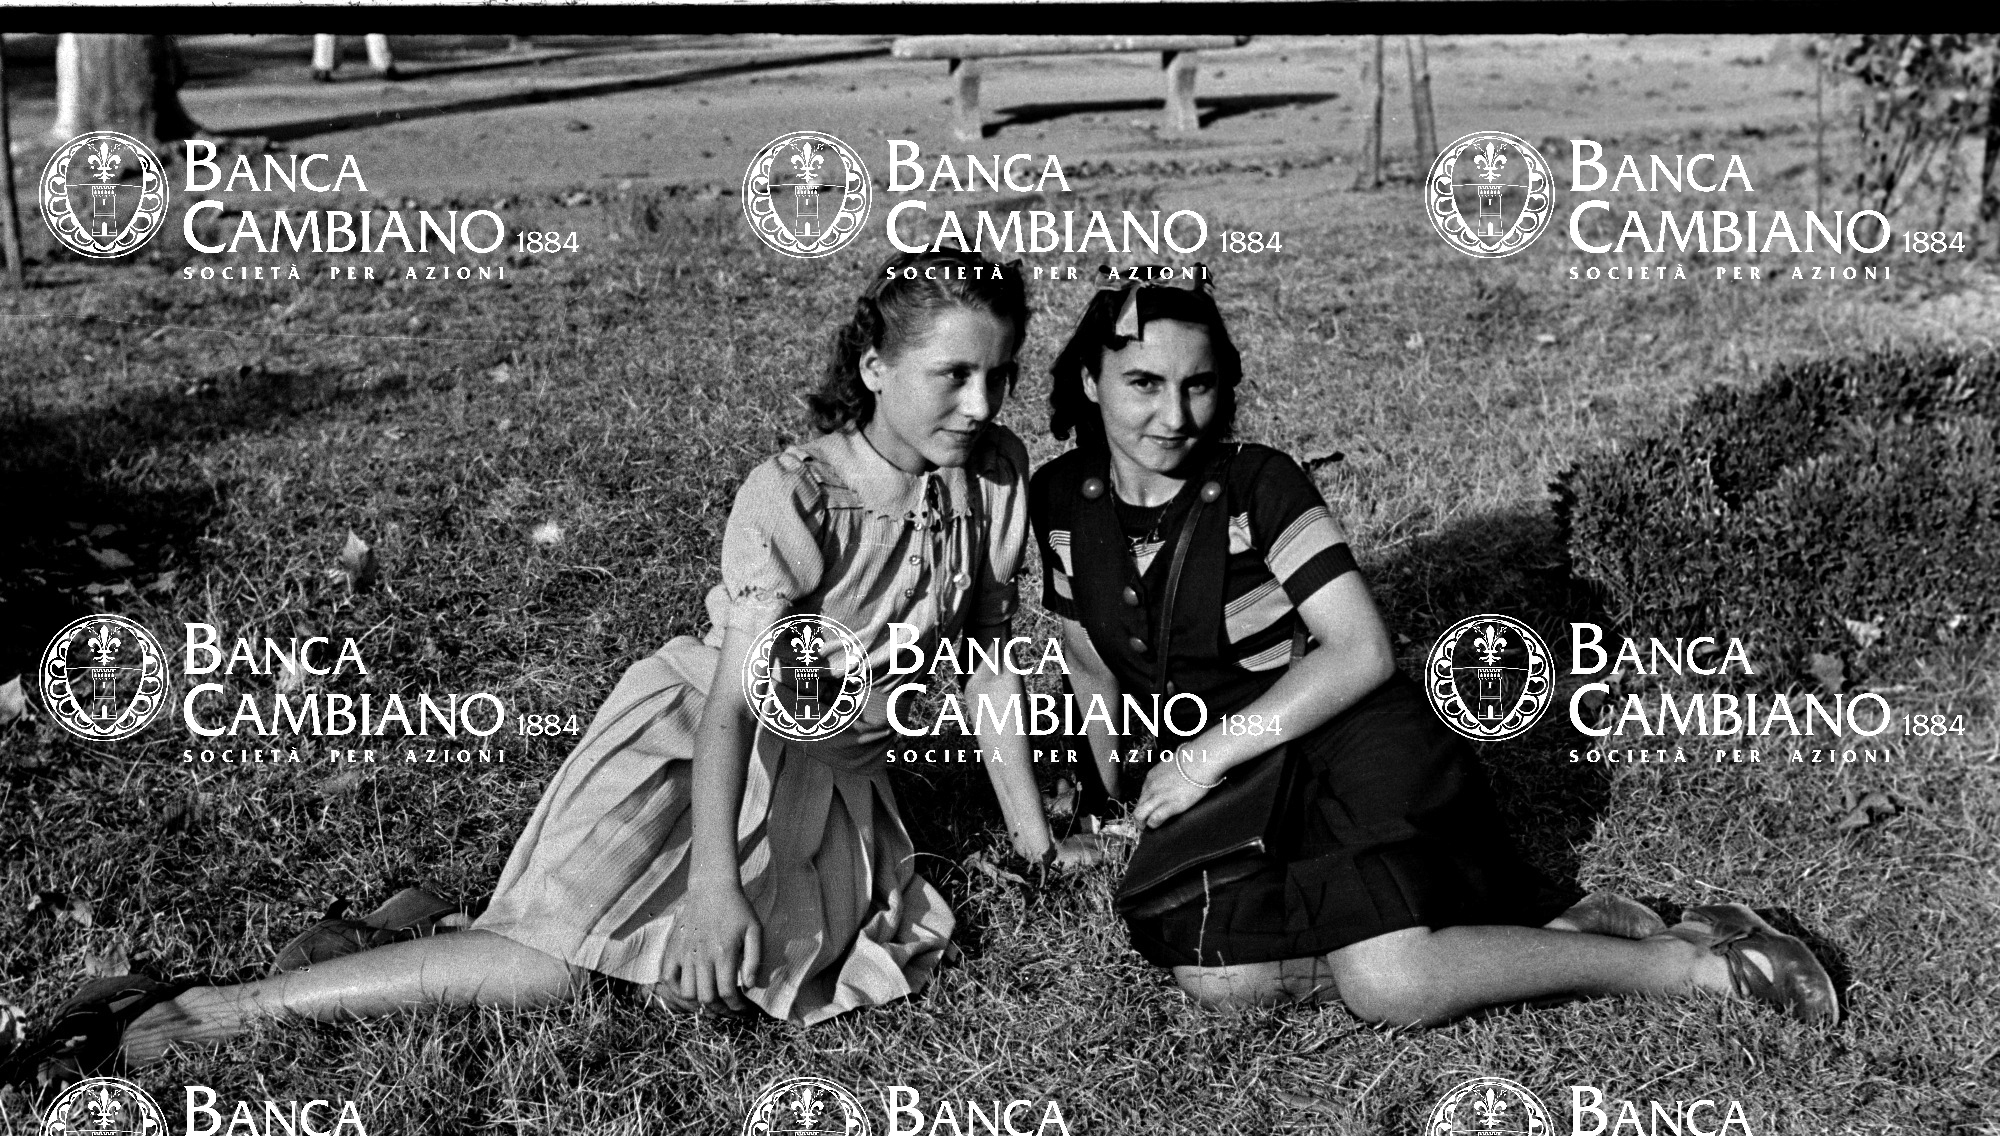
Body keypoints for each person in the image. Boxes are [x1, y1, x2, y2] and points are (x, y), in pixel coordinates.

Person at [4, 249, 1094, 1090]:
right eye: (952, 375)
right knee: (555, 971)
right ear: (874, 369)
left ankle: (418, 931)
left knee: (714, 989)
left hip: (828, 787)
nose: (982, 405)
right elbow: (730, 707)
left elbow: (989, 664)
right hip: (696, 751)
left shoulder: (992, 477)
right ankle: (205, 1009)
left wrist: (1036, 844)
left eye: (999, 375)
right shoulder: (795, 495)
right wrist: (714, 889)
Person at [1028, 274, 1840, 1026]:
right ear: (1091, 381)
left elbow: (1360, 652)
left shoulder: (1258, 482)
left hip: (1341, 739)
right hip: (1244, 786)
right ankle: (1533, 942)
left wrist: (1203, 756)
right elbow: (1092, 664)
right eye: (1144, 384)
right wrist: (1118, 802)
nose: (1175, 416)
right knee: (1222, 980)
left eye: (1198, 385)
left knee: (1389, 983)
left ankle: (1694, 959)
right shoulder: (1060, 499)